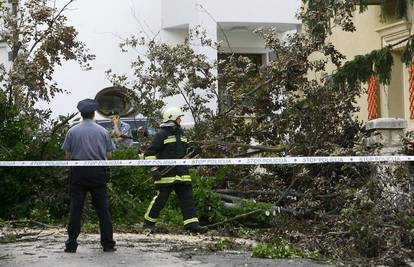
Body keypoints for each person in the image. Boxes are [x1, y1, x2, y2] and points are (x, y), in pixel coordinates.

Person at [62, 99, 116, 253]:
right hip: (98, 173)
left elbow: (67, 155)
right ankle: (108, 244)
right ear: (94, 113)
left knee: (75, 209)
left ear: (81, 113)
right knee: (103, 210)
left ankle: (71, 244)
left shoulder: (72, 131)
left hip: (78, 173)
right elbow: (109, 155)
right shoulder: (103, 131)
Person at [143, 107, 207, 234]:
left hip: (182, 174)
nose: (180, 120)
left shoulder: (181, 134)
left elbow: (185, 153)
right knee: (160, 200)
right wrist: (154, 169)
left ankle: (192, 225)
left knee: (188, 200)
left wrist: (194, 151)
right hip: (166, 174)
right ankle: (148, 224)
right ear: (172, 119)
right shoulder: (161, 134)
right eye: (178, 118)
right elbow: (149, 153)